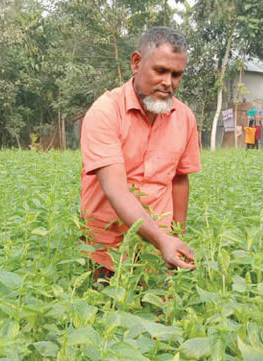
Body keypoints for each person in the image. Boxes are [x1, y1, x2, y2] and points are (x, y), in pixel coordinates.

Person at [80, 26, 201, 280]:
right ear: (136, 62)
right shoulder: (105, 112)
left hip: (156, 255)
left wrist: (175, 238)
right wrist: (162, 240)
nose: (168, 82)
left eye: (176, 74)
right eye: (160, 71)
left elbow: (180, 179)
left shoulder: (185, 118)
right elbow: (116, 190)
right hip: (107, 251)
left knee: (160, 315)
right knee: (103, 314)